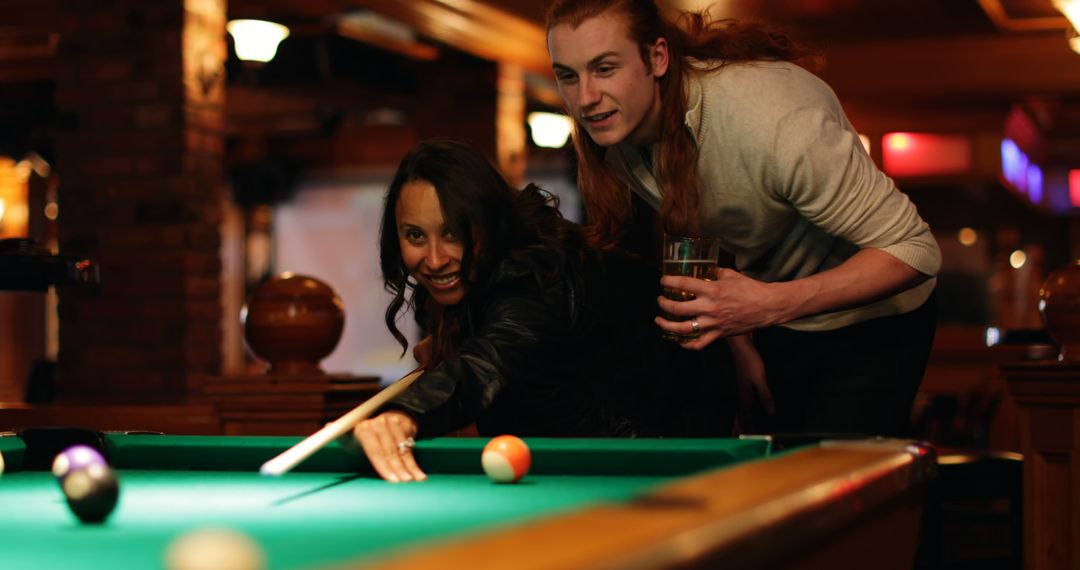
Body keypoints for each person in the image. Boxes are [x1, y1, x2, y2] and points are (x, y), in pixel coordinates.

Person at [545, 0, 941, 437]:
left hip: (876, 320)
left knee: (838, 491)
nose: (584, 98)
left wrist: (768, 305)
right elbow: (720, 227)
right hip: (774, 320)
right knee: (781, 481)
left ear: (657, 58)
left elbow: (914, 249)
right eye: (568, 75)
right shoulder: (615, 138)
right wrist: (741, 343)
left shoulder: (771, 122)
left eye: (604, 69)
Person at [353, 139, 733, 482]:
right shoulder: (475, 272)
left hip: (663, 448)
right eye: (416, 235)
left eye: (454, 232)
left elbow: (484, 363)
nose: (434, 260)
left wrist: (405, 414)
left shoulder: (537, 276)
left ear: (486, 221)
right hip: (582, 449)